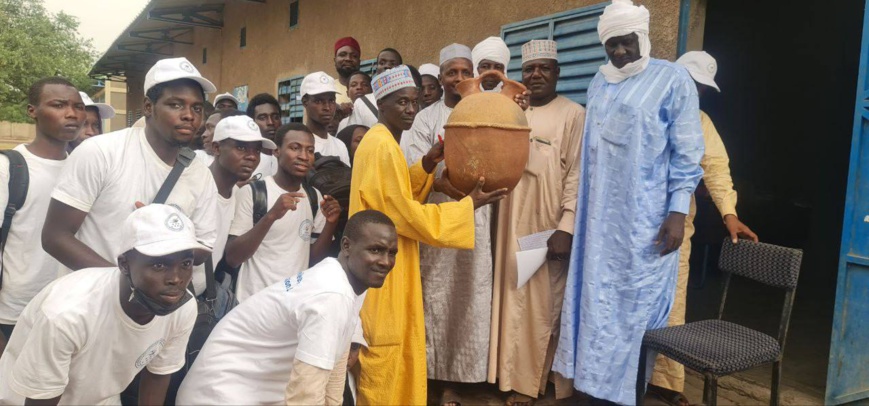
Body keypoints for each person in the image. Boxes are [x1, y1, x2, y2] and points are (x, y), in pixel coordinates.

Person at [553, 1, 705, 404]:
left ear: (644, 36)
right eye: (612, 44)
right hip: (598, 219)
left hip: (647, 221)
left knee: (635, 309)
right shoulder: (599, 82)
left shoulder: (672, 80)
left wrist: (676, 212)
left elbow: (688, 153)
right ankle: (593, 389)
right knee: (596, 303)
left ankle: (626, 393)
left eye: (627, 42)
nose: (620, 52)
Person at [348, 64, 508, 405]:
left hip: (390, 261)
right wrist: (468, 206)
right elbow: (400, 214)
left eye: (414, 102)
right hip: (380, 266)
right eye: (401, 103)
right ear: (381, 103)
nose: (410, 110)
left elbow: (396, 193)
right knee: (385, 352)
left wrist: (426, 163)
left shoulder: (386, 143)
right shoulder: (380, 146)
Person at [176, 210, 396, 405]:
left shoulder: (340, 283)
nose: (385, 261)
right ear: (346, 246)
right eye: (375, 250)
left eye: (392, 252)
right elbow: (305, 395)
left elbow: (335, 372)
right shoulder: (331, 294)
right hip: (219, 396)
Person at [42, 57, 219, 296]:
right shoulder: (101, 153)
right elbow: (55, 237)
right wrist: (126, 285)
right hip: (90, 305)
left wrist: (164, 232)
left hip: (156, 314)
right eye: (176, 105)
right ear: (148, 107)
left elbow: (204, 249)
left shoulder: (200, 175)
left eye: (197, 108)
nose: (189, 115)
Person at [642, 50, 759, 406]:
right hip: (632, 223)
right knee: (630, 302)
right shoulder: (645, 109)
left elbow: (715, 168)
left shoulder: (701, 121)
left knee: (672, 304)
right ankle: (620, 376)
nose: (694, 91)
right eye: (690, 82)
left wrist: (729, 213)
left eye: (700, 88)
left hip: (676, 228)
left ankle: (666, 382)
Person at [0, 204, 204, 405]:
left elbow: (158, 374)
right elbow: (40, 399)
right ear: (124, 264)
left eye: (185, 264)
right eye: (159, 265)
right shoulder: (67, 315)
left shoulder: (182, 307)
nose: (176, 279)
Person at [488, 39, 585, 405]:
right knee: (509, 301)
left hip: (546, 227)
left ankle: (529, 385)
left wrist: (566, 226)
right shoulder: (514, 112)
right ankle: (506, 377)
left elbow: (577, 175)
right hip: (508, 222)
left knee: (541, 307)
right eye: (529, 69)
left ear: (557, 73)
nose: (537, 74)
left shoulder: (574, 114)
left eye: (545, 68)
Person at [398, 43, 496, 404]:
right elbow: (418, 165)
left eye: (464, 72)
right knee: (433, 295)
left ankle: (460, 378)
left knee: (470, 294)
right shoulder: (426, 118)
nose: (458, 78)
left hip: (476, 216)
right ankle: (429, 375)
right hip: (436, 219)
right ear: (439, 78)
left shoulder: (487, 110)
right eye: (451, 72)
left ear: (474, 76)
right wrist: (445, 182)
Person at [0, 78, 85, 355]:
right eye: (58, 105)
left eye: (78, 106)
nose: (72, 113)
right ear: (32, 111)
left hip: (70, 307)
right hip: (16, 312)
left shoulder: (86, 168)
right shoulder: (9, 168)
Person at [224, 123, 341, 302]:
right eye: (295, 148)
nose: (303, 156)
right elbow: (233, 257)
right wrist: (271, 216)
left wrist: (331, 224)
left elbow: (313, 259)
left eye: (310, 150)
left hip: (294, 303)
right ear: (276, 151)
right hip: (253, 302)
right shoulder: (253, 192)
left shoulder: (313, 196)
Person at [302, 72, 351, 166]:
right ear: (305, 102)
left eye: (331, 100)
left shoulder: (340, 146)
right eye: (318, 101)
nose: (327, 107)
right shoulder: (296, 144)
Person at [347, 48, 404, 128]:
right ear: (377, 69)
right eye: (382, 63)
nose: (387, 66)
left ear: (400, 69)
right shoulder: (362, 102)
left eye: (392, 64)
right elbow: (355, 134)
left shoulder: (409, 101)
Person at [246, 93, 282, 178]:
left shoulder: (288, 157)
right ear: (251, 122)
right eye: (262, 118)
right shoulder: (245, 160)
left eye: (276, 117)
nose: (271, 122)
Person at [333, 37, 361, 117]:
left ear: (359, 62)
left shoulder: (369, 89)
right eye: (342, 55)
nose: (348, 59)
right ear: (335, 60)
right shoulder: (326, 88)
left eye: (354, 56)